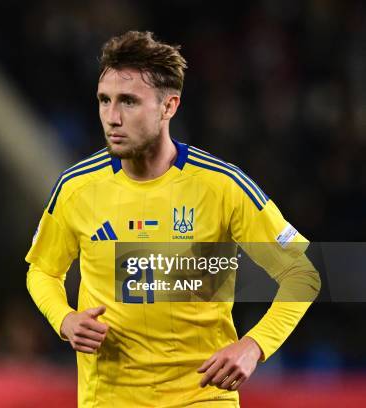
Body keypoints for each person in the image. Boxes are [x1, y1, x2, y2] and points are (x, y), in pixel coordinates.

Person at [26, 31, 320, 407]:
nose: (112, 118)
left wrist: (254, 345)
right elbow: (43, 271)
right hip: (109, 398)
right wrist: (64, 319)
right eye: (104, 100)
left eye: (129, 101)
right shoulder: (76, 188)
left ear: (169, 107)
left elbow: (302, 274)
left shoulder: (222, 185)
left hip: (202, 396)